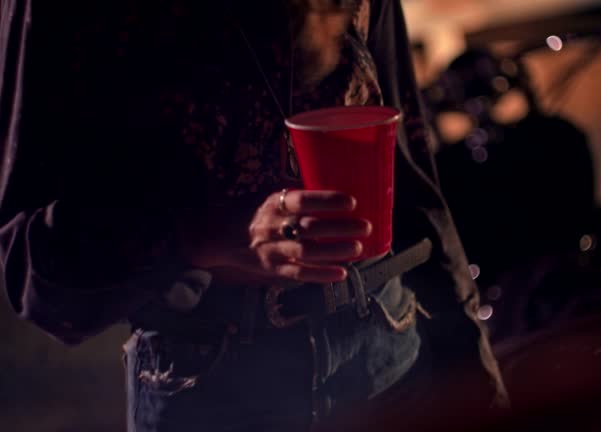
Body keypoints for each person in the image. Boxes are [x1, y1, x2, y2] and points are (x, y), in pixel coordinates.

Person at [0, 1, 507, 431]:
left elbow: (415, 189)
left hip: (389, 351)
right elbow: (32, 271)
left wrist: (480, 373)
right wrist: (205, 235)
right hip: (208, 383)